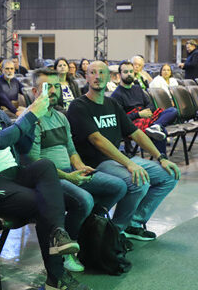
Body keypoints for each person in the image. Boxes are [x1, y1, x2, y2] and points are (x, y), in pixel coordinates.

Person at [0, 68, 92, 290]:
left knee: (46, 166)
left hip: (15, 172)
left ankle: (58, 234)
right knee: (44, 203)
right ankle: (57, 276)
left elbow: (21, 145)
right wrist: (30, 115)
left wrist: (31, 125)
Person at [26, 68, 127, 272]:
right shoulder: (31, 120)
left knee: (118, 186)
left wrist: (80, 167)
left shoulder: (61, 118)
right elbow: (35, 162)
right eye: (47, 87)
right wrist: (69, 176)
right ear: (35, 92)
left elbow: (71, 150)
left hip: (70, 172)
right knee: (85, 200)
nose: (53, 91)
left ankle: (89, 229)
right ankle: (68, 250)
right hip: (49, 179)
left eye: (56, 86)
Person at [67, 61, 179, 241]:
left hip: (117, 159)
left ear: (110, 77)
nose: (98, 77)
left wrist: (161, 157)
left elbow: (136, 133)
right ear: (86, 77)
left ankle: (134, 223)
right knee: (138, 181)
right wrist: (129, 164)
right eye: (93, 73)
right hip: (97, 163)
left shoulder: (111, 103)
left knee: (170, 175)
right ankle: (116, 231)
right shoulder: (79, 106)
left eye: (101, 73)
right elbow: (97, 140)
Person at [111, 61, 179, 155]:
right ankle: (162, 158)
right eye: (125, 72)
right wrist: (139, 114)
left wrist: (147, 112)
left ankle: (156, 126)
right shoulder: (116, 95)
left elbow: (150, 105)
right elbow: (121, 119)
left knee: (173, 110)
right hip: (133, 123)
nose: (129, 74)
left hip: (147, 118)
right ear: (119, 75)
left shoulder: (137, 88)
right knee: (161, 130)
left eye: (131, 71)